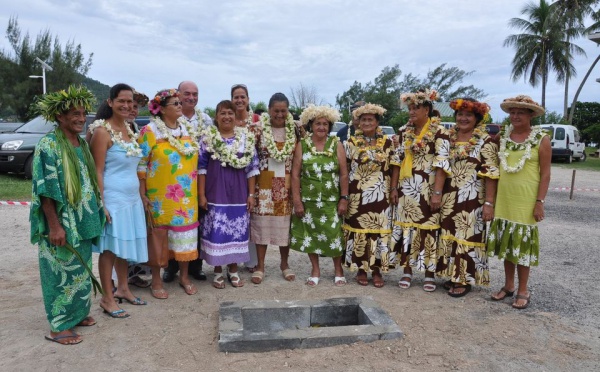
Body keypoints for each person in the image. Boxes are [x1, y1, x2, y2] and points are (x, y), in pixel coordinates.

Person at [30, 85, 105, 345]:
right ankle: (59, 325)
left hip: (82, 218)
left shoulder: (81, 143)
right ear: (59, 117)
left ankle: (77, 313)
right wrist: (54, 225)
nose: (82, 118)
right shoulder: (48, 145)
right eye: (75, 113)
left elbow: (88, 180)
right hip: (61, 221)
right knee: (59, 269)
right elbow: (46, 190)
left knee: (81, 267)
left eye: (84, 113)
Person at [89, 84, 148, 317]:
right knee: (110, 249)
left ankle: (124, 288)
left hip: (131, 198)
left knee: (123, 246)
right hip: (113, 199)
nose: (126, 105)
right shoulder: (102, 132)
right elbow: (97, 171)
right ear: (110, 102)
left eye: (130, 102)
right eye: (121, 101)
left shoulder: (130, 128)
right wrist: (101, 203)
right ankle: (107, 297)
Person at [487, 95, 550, 309]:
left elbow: (546, 174)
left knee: (522, 246)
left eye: (520, 112)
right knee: (508, 243)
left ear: (530, 115)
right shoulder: (503, 136)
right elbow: (487, 150)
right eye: (512, 112)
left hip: (526, 200)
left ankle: (523, 289)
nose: (515, 116)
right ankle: (508, 286)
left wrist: (539, 201)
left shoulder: (541, 138)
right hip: (504, 199)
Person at [138, 88, 200, 298]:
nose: (180, 106)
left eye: (179, 103)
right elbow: (141, 163)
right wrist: (143, 192)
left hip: (186, 193)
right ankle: (156, 280)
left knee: (184, 235)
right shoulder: (150, 130)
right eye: (175, 104)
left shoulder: (187, 129)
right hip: (160, 196)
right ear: (162, 109)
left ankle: (184, 277)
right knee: (159, 236)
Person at [436, 98, 499, 297]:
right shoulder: (448, 138)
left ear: (477, 118)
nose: (463, 118)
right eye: (460, 115)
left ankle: (464, 278)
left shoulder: (485, 141)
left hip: (473, 199)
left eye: (468, 115)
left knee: (467, 237)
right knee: (451, 236)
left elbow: (491, 174)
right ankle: (453, 274)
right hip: (449, 196)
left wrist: (489, 203)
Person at [392, 88, 450, 291]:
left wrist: (437, 193)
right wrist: (393, 188)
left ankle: (429, 272)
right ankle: (407, 271)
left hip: (428, 189)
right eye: (409, 108)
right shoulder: (403, 132)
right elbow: (397, 161)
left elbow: (442, 165)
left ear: (427, 109)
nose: (411, 112)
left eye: (416, 108)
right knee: (407, 228)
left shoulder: (440, 132)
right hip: (406, 188)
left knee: (428, 230)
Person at [198, 100, 259, 288]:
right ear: (216, 117)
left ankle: (233, 270)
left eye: (230, 113)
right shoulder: (208, 138)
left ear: (235, 116)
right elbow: (201, 168)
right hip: (215, 192)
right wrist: (201, 195)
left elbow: (252, 168)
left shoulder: (246, 139)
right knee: (218, 231)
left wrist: (251, 195)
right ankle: (217, 271)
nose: (226, 117)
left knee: (237, 232)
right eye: (222, 113)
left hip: (239, 194)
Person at [290, 105, 349, 287]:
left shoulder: (336, 144)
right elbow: (295, 174)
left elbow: (344, 174)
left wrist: (344, 198)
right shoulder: (303, 145)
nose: (321, 127)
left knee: (334, 235)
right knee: (311, 235)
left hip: (332, 201)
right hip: (309, 202)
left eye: (325, 124)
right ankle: (315, 269)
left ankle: (338, 270)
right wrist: (297, 201)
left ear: (330, 126)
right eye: (318, 124)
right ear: (311, 125)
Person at [343, 103, 400, 288]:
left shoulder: (388, 142)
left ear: (377, 122)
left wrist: (393, 189)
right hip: (357, 194)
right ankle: (361, 268)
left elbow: (395, 166)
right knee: (359, 230)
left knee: (378, 231)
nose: (366, 122)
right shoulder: (351, 142)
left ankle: (376, 270)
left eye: (370, 119)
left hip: (380, 194)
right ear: (358, 122)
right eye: (363, 119)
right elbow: (344, 169)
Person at [162, 81, 211, 283]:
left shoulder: (206, 120)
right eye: (187, 93)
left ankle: (195, 266)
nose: (191, 97)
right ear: (179, 95)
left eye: (195, 94)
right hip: (174, 180)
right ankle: (171, 266)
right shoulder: (168, 118)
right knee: (173, 225)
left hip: (198, 178)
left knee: (197, 223)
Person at [249, 93, 299, 284]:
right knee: (262, 225)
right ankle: (260, 266)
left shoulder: (295, 130)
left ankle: (284, 264)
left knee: (284, 227)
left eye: (283, 111)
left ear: (288, 111)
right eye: (276, 111)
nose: (279, 114)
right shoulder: (258, 129)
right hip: (264, 184)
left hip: (285, 185)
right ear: (269, 110)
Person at [231, 83, 260, 272]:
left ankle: (252, 261)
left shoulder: (258, 120)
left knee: (253, 216)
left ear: (248, 99)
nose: (240, 100)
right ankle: (232, 257)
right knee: (235, 215)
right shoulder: (227, 120)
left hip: (256, 171)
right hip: (233, 173)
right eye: (236, 97)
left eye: (243, 97)